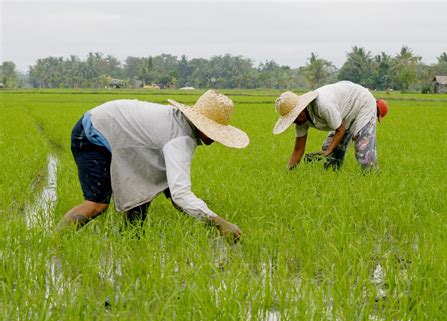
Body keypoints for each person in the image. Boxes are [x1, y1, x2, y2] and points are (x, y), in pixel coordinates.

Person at [56, 90, 249, 242]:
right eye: (213, 131)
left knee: (141, 196)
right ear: (201, 125)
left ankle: (130, 244)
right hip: (93, 132)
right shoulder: (181, 139)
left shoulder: (178, 124)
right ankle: (53, 241)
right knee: (97, 204)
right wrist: (218, 223)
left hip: (109, 125)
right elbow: (180, 195)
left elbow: (174, 195)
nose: (215, 138)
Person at [273, 81, 388, 171]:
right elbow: (298, 150)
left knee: (364, 152)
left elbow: (340, 130)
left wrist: (328, 151)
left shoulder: (322, 105)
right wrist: (288, 172)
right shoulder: (300, 121)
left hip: (362, 103)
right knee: (330, 157)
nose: (294, 121)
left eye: (294, 117)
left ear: (301, 108)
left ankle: (371, 177)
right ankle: (335, 177)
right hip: (343, 113)